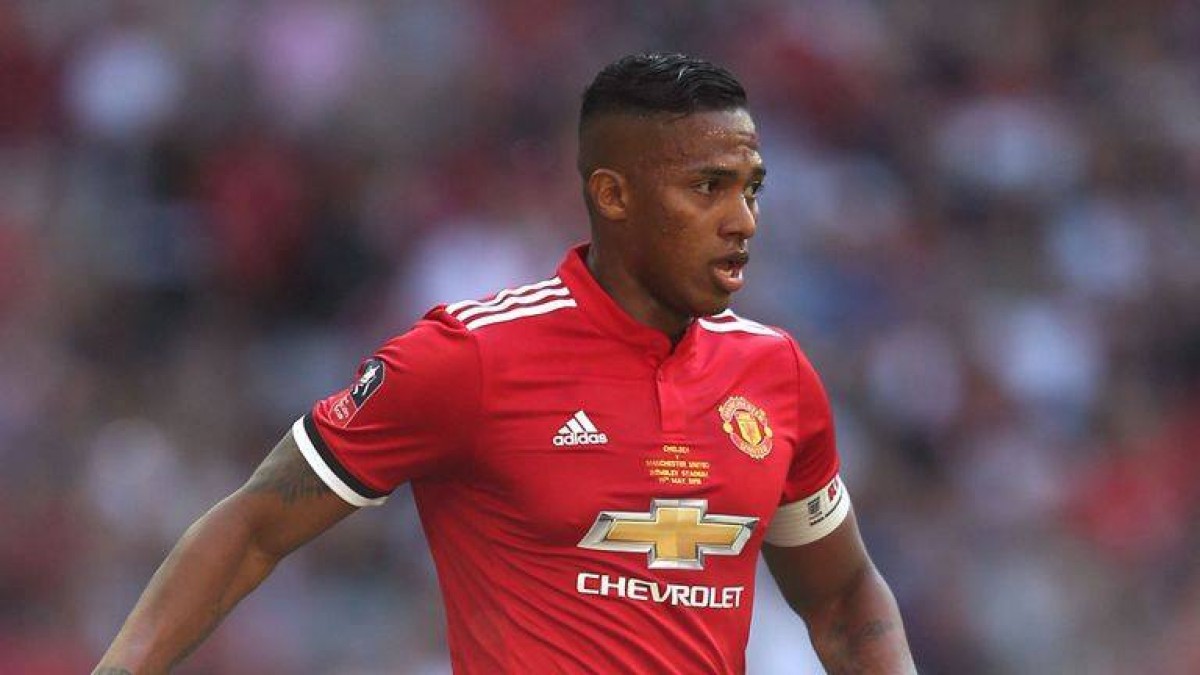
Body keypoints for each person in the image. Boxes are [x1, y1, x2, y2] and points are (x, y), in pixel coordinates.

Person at [95, 52, 916, 674]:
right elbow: (251, 528)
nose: (743, 220)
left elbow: (842, 597)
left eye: (751, 187)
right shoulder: (473, 357)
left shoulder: (775, 373)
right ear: (614, 195)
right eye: (708, 187)